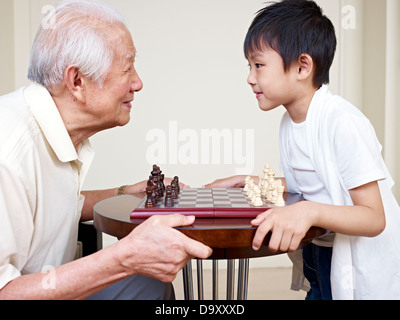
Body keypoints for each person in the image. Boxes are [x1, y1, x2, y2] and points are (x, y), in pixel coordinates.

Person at [0, 0, 212, 300]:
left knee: (151, 285)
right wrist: (123, 257)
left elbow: (51, 207)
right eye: (128, 68)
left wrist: (125, 192)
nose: (138, 83)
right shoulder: (8, 155)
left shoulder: (56, 129)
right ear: (77, 81)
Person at [205, 0, 400, 300]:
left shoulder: (343, 123)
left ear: (302, 66)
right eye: (249, 66)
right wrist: (250, 181)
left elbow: (374, 218)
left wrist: (308, 211)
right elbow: (313, 184)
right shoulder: (290, 121)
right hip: (320, 250)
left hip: (356, 261)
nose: (250, 77)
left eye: (258, 65)